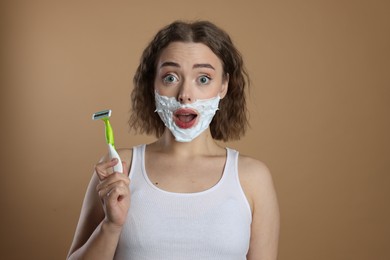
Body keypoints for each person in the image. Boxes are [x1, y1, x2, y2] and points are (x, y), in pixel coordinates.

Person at [67, 20, 279, 260]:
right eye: (170, 78)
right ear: (152, 85)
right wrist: (111, 225)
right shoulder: (119, 168)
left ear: (223, 86)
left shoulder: (252, 178)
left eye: (203, 79)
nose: (185, 95)